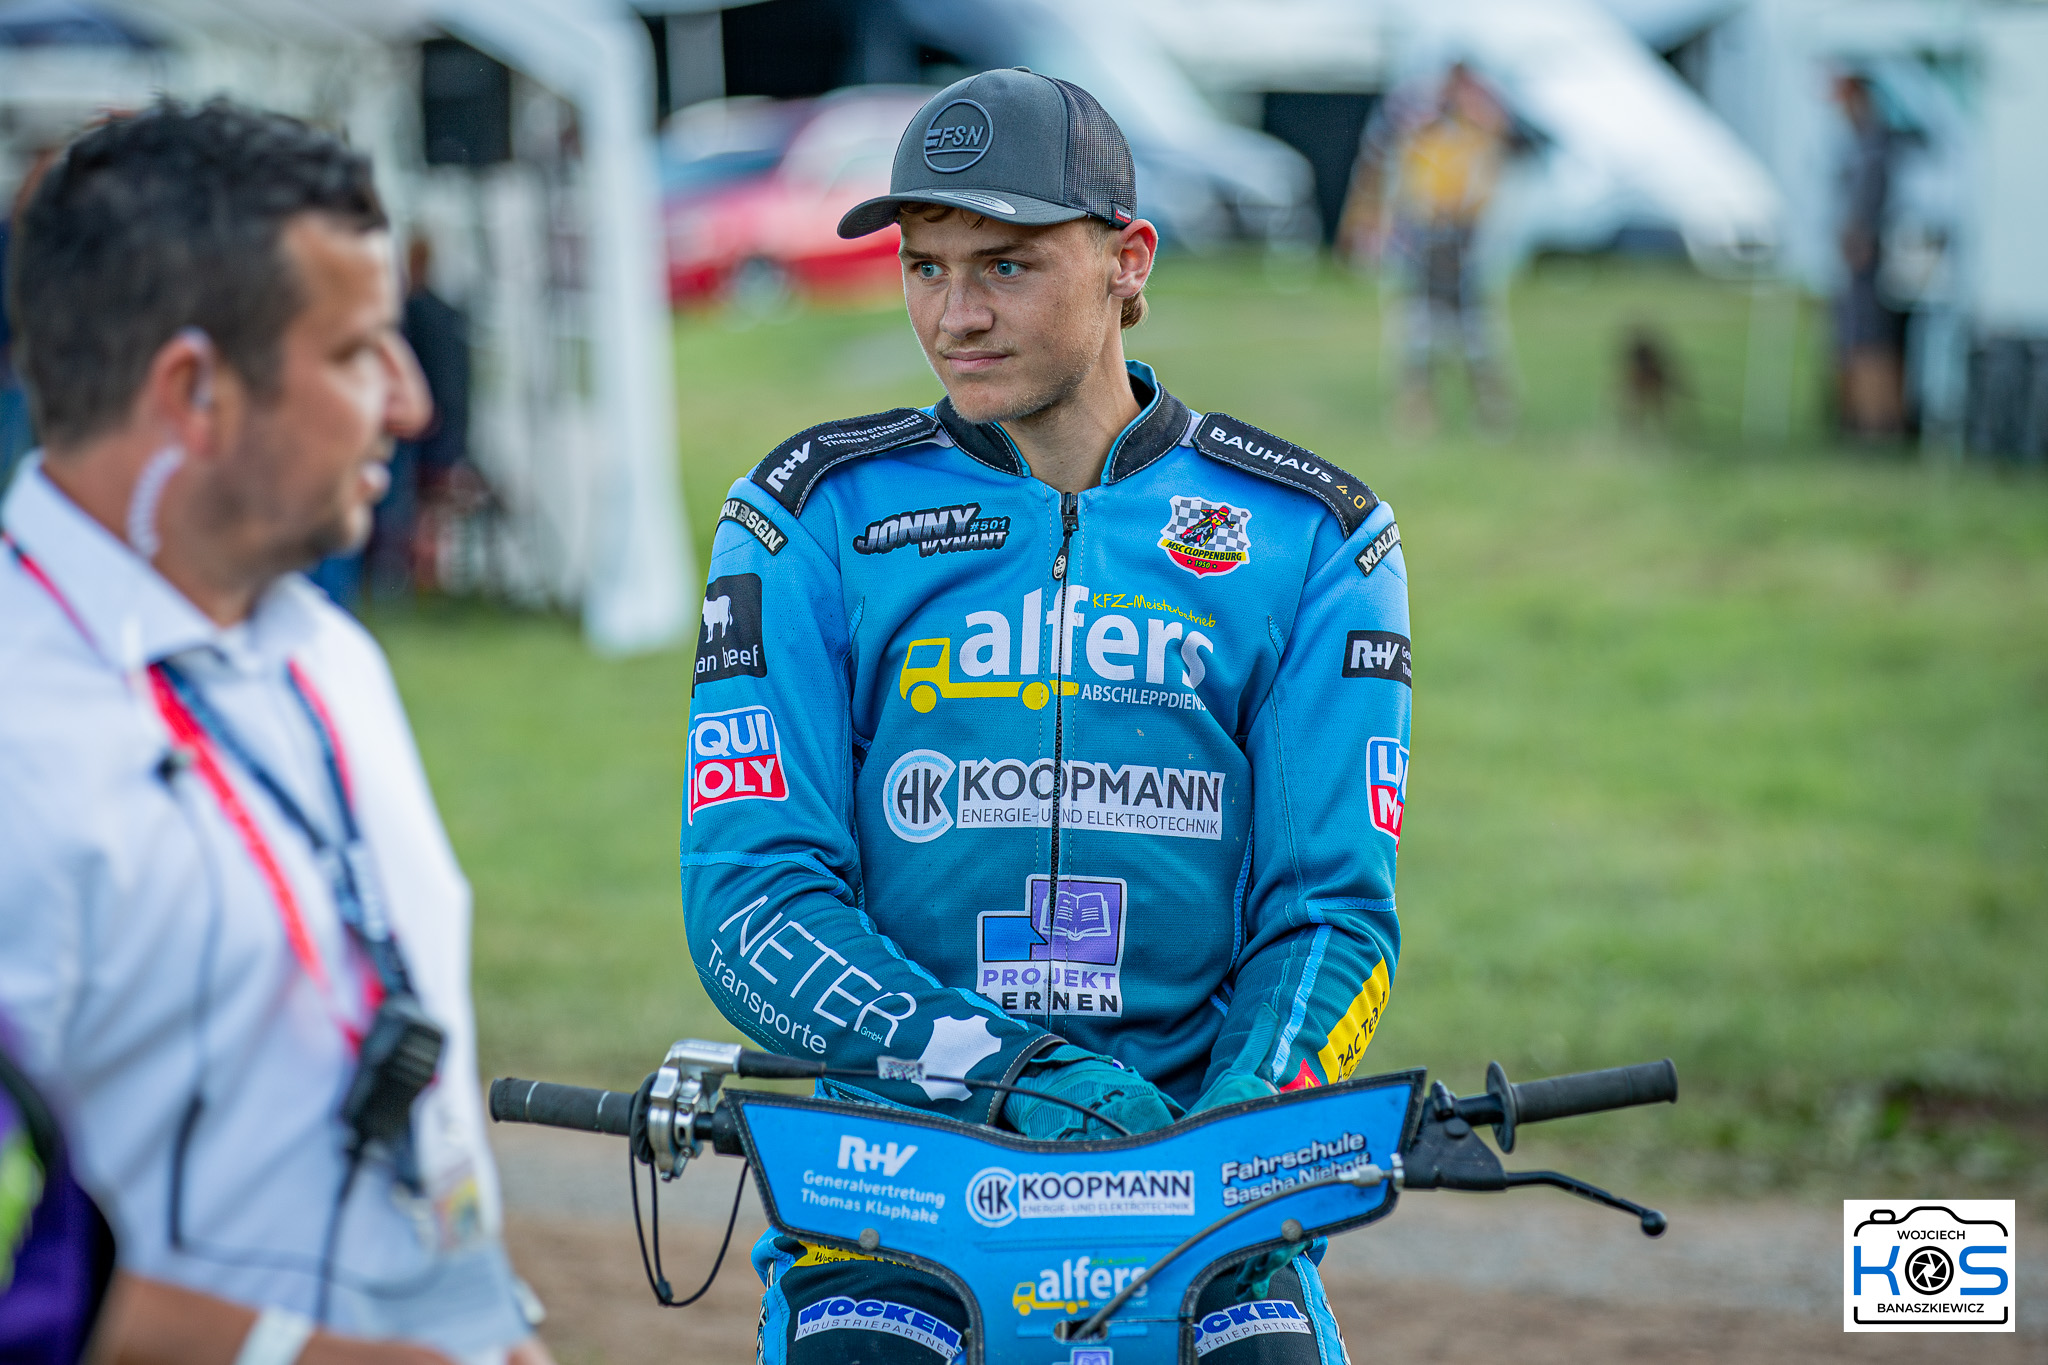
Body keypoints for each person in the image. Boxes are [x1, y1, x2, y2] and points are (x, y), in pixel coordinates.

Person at [681, 69, 1409, 1362]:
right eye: (925, 266)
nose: (954, 315)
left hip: (1193, 1187)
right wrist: (1006, 1070)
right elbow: (751, 902)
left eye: (1005, 266)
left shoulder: (1315, 534)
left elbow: (1329, 914)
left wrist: (1245, 1119)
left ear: (1130, 262)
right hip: (896, 1186)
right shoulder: (804, 515)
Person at [0, 100, 550, 1365]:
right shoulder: (26, 742)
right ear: (193, 390)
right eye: (358, 351)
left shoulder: (323, 654)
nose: (410, 401)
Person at [1344, 62, 1526, 432]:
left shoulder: (1480, 139)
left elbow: (1491, 182)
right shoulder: (1418, 141)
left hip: (1464, 250)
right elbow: (1397, 188)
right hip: (1424, 250)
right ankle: (1417, 413)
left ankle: (1493, 412)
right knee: (1417, 336)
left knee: (1477, 337)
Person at [1832, 73, 1904, 441]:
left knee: (1869, 342)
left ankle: (1878, 422)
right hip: (1864, 259)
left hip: (1869, 260)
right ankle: (1865, 419)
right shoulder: (1864, 143)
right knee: (1859, 340)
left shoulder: (1874, 147)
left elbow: (1866, 207)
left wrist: (1857, 240)